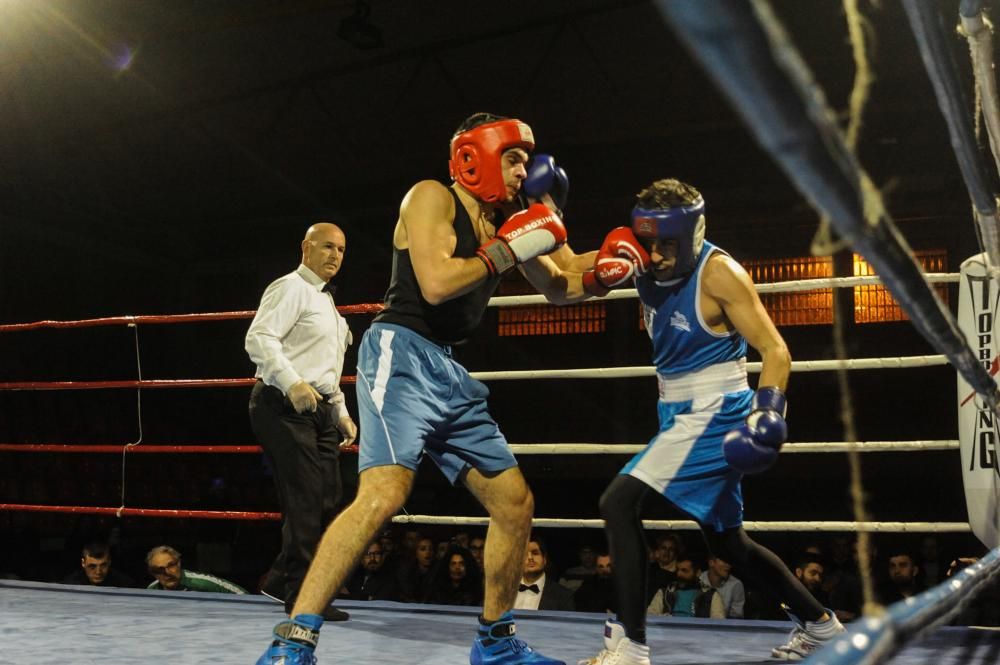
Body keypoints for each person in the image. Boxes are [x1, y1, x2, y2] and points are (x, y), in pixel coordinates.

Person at [257, 112, 591, 665]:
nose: (522, 172)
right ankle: (292, 643)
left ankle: (495, 643)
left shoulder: (507, 219)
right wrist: (511, 246)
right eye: (512, 158)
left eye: (526, 161)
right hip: (400, 351)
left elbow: (563, 284)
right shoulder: (431, 197)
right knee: (384, 494)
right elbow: (437, 285)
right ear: (474, 156)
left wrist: (628, 262)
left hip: (448, 370)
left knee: (513, 502)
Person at [579, 179, 845, 664]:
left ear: (693, 235)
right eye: (650, 242)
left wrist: (768, 411)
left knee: (618, 503)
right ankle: (822, 627)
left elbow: (775, 350)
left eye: (667, 244)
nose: (656, 255)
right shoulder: (636, 255)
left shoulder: (719, 273)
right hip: (675, 410)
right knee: (727, 541)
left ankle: (631, 646)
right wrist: (537, 234)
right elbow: (563, 278)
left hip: (716, 411)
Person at [246, 222, 357, 622]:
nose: (334, 256)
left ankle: (280, 580)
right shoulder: (289, 287)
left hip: (320, 408)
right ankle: (302, 595)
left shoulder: (328, 303)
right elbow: (258, 338)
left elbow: (329, 370)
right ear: (306, 248)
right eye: (327, 246)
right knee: (307, 498)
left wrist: (341, 412)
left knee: (329, 497)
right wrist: (291, 382)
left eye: (341, 250)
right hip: (283, 404)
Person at [646, 555, 724, 618]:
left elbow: (719, 623)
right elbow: (649, 616)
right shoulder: (665, 593)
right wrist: (661, 618)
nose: (679, 574)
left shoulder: (711, 595)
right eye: (677, 570)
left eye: (684, 571)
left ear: (697, 573)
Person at [145, 545, 246, 593]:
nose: (167, 573)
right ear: (153, 574)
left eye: (171, 565)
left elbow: (242, 595)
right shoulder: (152, 590)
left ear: (179, 563)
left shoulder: (202, 583)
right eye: (160, 570)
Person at [514, 537, 575, 611]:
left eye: (535, 553)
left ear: (545, 559)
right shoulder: (502, 593)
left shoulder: (564, 596)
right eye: (525, 554)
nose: (530, 558)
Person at [61, 541, 135, 588]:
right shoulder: (70, 586)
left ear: (109, 562)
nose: (98, 572)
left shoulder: (124, 585)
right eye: (92, 566)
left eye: (103, 565)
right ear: (83, 563)